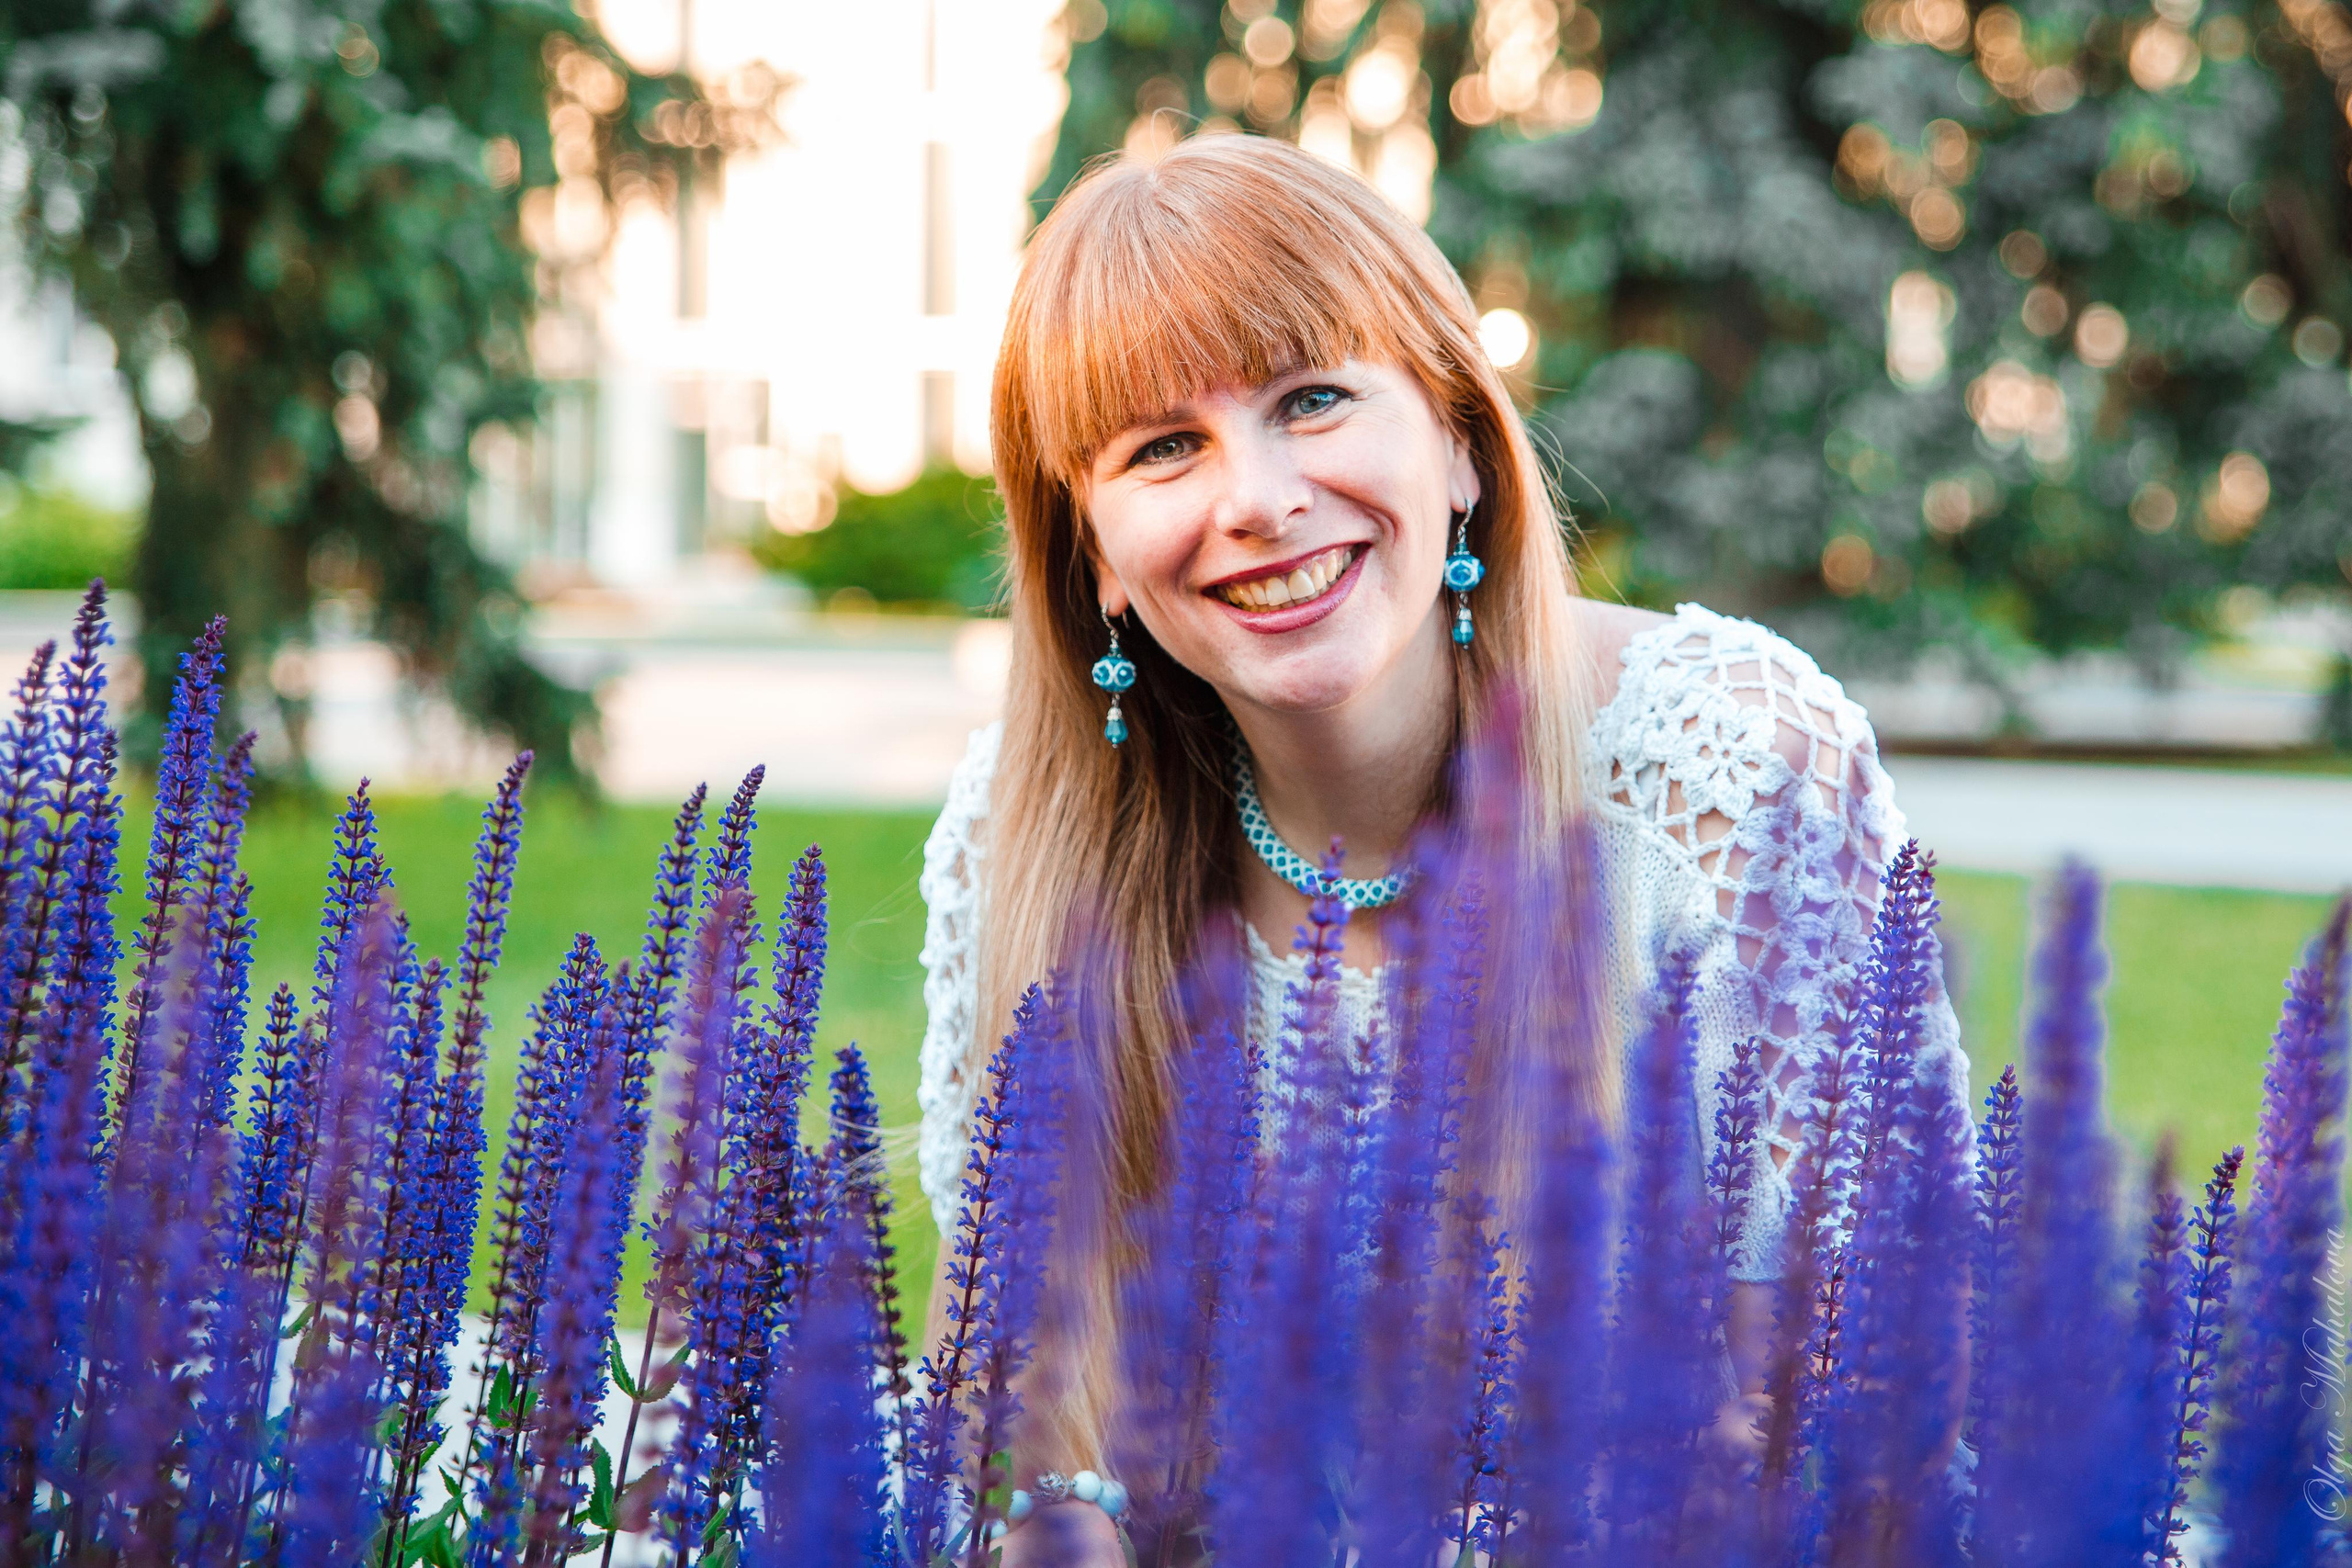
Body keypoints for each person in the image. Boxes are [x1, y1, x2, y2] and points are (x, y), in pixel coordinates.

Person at [914, 132, 1966, 1562]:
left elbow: (1878, 1379)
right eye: (1166, 446)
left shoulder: (1722, 768)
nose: (1259, 498)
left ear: (1461, 442)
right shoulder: (1023, 838)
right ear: (1091, 552)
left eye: (1315, 399)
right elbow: (1033, 1449)